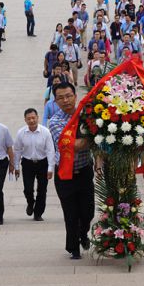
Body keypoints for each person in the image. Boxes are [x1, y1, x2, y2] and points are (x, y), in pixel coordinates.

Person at [49, 83, 95, 260]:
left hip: (84, 171)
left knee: (88, 211)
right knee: (71, 214)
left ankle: (83, 233)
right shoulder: (55, 122)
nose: (65, 100)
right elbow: (71, 146)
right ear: (56, 101)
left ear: (75, 96)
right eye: (61, 98)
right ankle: (73, 248)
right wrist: (92, 137)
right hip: (65, 175)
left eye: (68, 96)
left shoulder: (87, 114)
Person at [14, 108, 55, 221]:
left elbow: (50, 150)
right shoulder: (21, 133)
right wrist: (16, 166)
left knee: (42, 189)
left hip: (43, 163)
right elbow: (17, 150)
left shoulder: (45, 132)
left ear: (37, 118)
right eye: (29, 119)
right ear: (25, 120)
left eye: (33, 118)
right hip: (27, 163)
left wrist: (50, 168)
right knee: (28, 188)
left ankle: (38, 213)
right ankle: (30, 203)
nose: (32, 120)